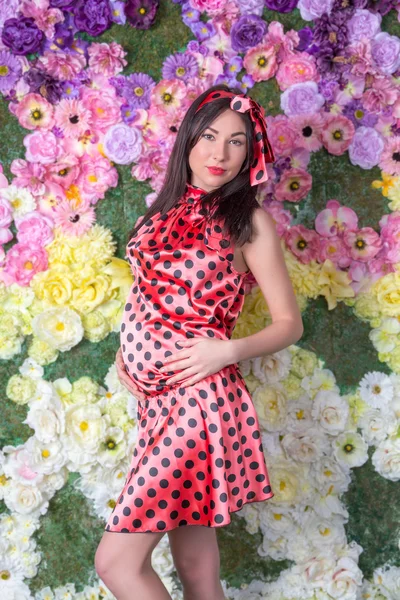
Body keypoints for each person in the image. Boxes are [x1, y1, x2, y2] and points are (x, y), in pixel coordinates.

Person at [94, 84, 304, 600]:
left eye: (237, 142)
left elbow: (289, 323)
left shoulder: (249, 223)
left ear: (249, 155)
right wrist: (127, 350)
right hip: (156, 405)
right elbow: (149, 293)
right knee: (195, 564)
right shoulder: (158, 215)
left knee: (116, 563)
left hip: (198, 403)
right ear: (188, 139)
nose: (220, 153)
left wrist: (226, 351)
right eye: (210, 136)